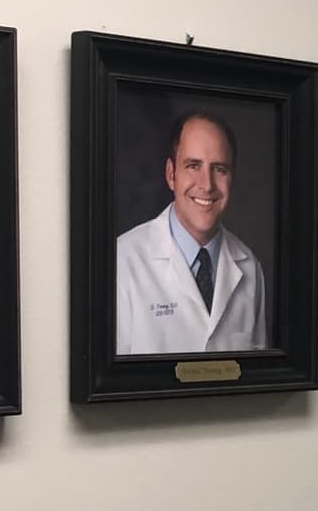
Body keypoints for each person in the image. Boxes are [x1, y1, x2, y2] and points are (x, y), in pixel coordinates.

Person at [115, 110, 269, 354]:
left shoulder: (249, 267)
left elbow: (257, 371)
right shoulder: (122, 261)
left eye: (219, 169)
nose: (207, 185)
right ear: (171, 174)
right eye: (193, 166)